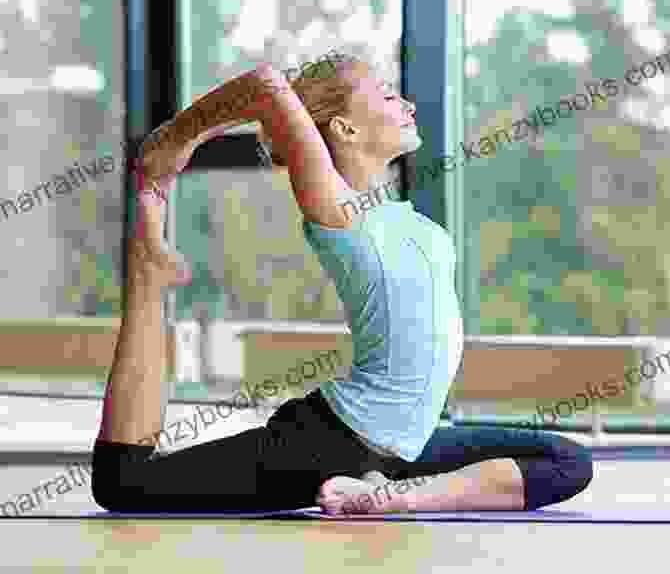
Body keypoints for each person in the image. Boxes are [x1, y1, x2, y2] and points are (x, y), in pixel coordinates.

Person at [91, 51, 593, 515]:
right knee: (124, 483)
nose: (409, 103)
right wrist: (177, 138)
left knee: (567, 461)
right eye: (388, 94)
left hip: (404, 446)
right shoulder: (343, 210)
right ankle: (147, 277)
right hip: (335, 441)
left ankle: (390, 497)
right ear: (345, 128)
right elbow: (267, 84)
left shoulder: (403, 219)